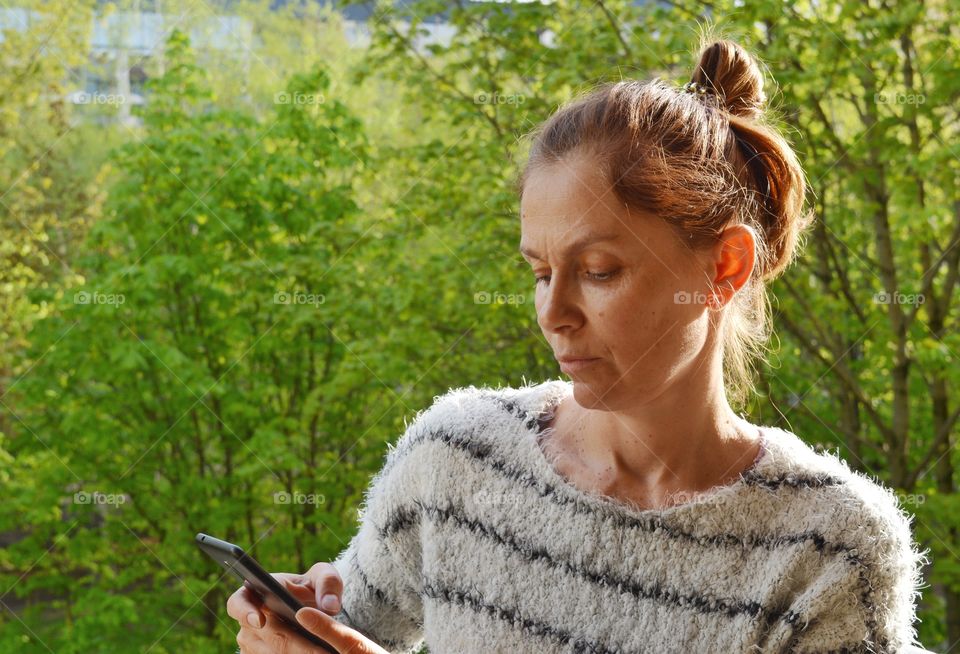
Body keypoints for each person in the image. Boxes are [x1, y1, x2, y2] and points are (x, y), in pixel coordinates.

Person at [227, 38, 929, 653]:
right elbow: (345, 618)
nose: (553, 312)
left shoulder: (828, 550)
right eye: (539, 272)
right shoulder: (453, 463)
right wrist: (291, 628)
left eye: (598, 272)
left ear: (725, 268)